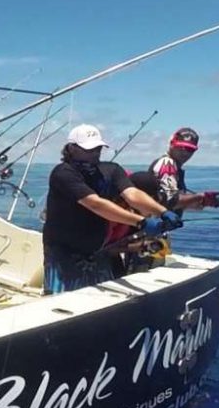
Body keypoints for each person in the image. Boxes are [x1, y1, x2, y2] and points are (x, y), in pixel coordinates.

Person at [43, 124, 182, 294]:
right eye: (89, 150)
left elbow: (132, 193)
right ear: (71, 149)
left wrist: (163, 212)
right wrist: (141, 222)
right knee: (63, 302)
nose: (95, 153)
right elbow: (95, 204)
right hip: (63, 252)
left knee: (102, 299)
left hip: (97, 251)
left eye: (97, 149)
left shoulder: (111, 170)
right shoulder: (63, 173)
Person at [131, 127, 219, 213]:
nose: (185, 152)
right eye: (181, 147)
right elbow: (170, 201)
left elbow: (168, 202)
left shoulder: (175, 167)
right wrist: (200, 196)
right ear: (172, 144)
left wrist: (202, 202)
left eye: (189, 149)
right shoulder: (167, 164)